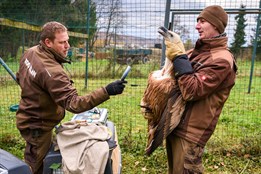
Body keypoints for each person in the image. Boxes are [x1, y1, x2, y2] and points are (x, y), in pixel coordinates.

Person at [16, 21, 127, 174]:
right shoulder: (53, 72)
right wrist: (107, 91)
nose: (67, 45)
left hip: (28, 116)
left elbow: (19, 77)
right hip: (38, 125)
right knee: (35, 165)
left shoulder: (31, 52)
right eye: (62, 42)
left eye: (67, 40)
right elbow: (75, 104)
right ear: (48, 42)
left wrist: (36, 93)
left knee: (36, 155)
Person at [163, 5, 237, 173]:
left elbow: (191, 91)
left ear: (216, 25)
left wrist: (180, 58)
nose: (197, 26)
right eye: (197, 21)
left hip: (191, 132)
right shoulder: (197, 52)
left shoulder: (222, 60)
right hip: (175, 124)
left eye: (202, 21)